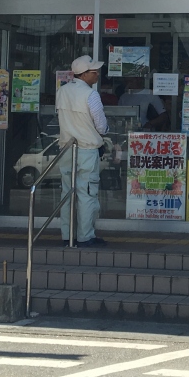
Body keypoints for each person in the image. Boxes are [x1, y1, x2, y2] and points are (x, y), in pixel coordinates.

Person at [54, 55, 109, 247]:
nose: (97, 74)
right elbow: (101, 126)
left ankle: (67, 235)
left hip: (66, 149)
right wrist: (104, 132)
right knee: (86, 193)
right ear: (84, 74)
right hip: (86, 149)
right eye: (94, 71)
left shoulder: (62, 91)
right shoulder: (90, 95)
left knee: (67, 193)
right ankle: (85, 236)